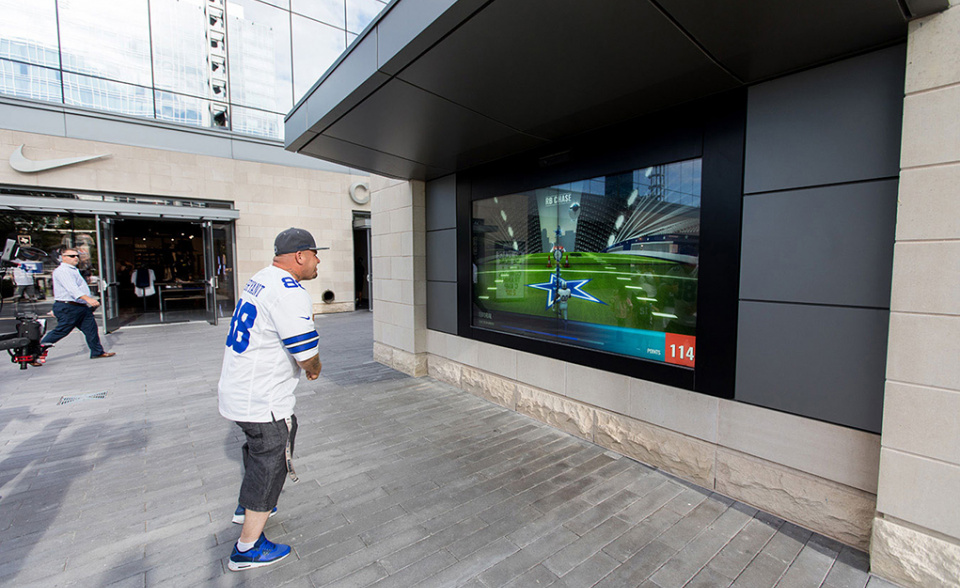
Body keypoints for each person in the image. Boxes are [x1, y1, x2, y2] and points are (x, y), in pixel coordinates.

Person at [218, 228, 323, 572]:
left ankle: (244, 509)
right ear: (299, 256)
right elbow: (306, 351)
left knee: (256, 448)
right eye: (315, 254)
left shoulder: (262, 278)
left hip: (240, 389)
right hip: (263, 398)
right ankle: (247, 548)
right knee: (272, 460)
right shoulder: (289, 291)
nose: (318, 260)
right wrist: (313, 369)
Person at [39, 248, 116, 361]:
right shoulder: (63, 271)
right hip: (69, 306)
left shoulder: (73, 270)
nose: (75, 258)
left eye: (76, 256)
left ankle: (97, 352)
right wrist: (88, 299)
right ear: (63, 257)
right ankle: (35, 352)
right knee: (62, 330)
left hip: (79, 306)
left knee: (91, 329)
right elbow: (72, 289)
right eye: (72, 256)